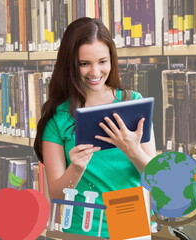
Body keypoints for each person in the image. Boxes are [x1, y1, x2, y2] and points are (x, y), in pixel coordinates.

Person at [33, 17, 156, 238]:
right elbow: (56, 194)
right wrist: (76, 168)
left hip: (131, 225)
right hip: (83, 228)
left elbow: (156, 179)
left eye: (102, 61)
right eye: (84, 64)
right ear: (71, 64)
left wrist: (133, 150)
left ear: (112, 60)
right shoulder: (58, 117)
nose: (95, 72)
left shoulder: (133, 104)